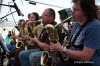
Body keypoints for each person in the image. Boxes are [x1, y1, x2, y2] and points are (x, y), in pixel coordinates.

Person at [50, 0, 100, 66]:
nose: (72, 12)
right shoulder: (76, 24)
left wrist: (62, 49)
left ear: (86, 11)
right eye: (72, 8)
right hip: (74, 60)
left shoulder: (95, 26)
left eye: (76, 9)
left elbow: (86, 57)